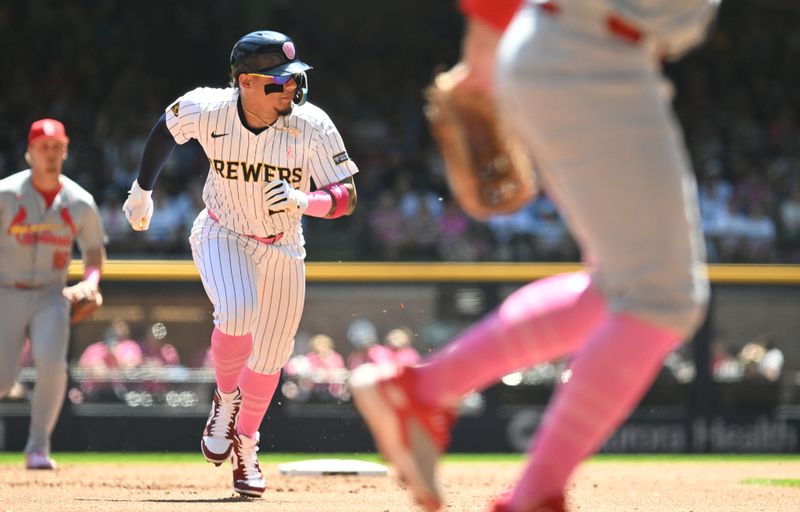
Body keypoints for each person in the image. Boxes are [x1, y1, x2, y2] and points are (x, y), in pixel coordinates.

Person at [350, 1, 718, 511]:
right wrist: (480, 66)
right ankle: (531, 495)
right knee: (662, 298)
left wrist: (483, 65)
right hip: (590, 56)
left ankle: (423, 392)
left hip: (592, 55)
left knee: (620, 287)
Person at [122, 30, 358, 497]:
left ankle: (246, 446)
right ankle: (225, 400)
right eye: (278, 81)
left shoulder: (312, 124)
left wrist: (304, 200)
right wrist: (141, 190)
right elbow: (165, 130)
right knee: (237, 311)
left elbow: (347, 196)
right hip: (221, 230)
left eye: (294, 79)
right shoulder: (208, 108)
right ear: (245, 81)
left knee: (271, 358)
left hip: (285, 245)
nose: (291, 88)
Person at [0, 119, 106, 470]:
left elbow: (93, 254)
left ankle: (37, 447)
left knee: (51, 362)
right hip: (6, 291)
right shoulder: (6, 193)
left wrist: (90, 282)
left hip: (50, 294)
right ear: (29, 152)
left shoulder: (79, 201)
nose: (51, 154)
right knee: (2, 379)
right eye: (43, 147)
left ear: (66, 150)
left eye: (57, 147)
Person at [75, 318, 143, 400]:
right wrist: (96, 366)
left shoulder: (126, 347)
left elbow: (131, 368)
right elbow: (81, 366)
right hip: (93, 391)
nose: (110, 343)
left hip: (118, 391)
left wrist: (115, 357)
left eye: (113, 339)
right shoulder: (95, 348)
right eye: (108, 339)